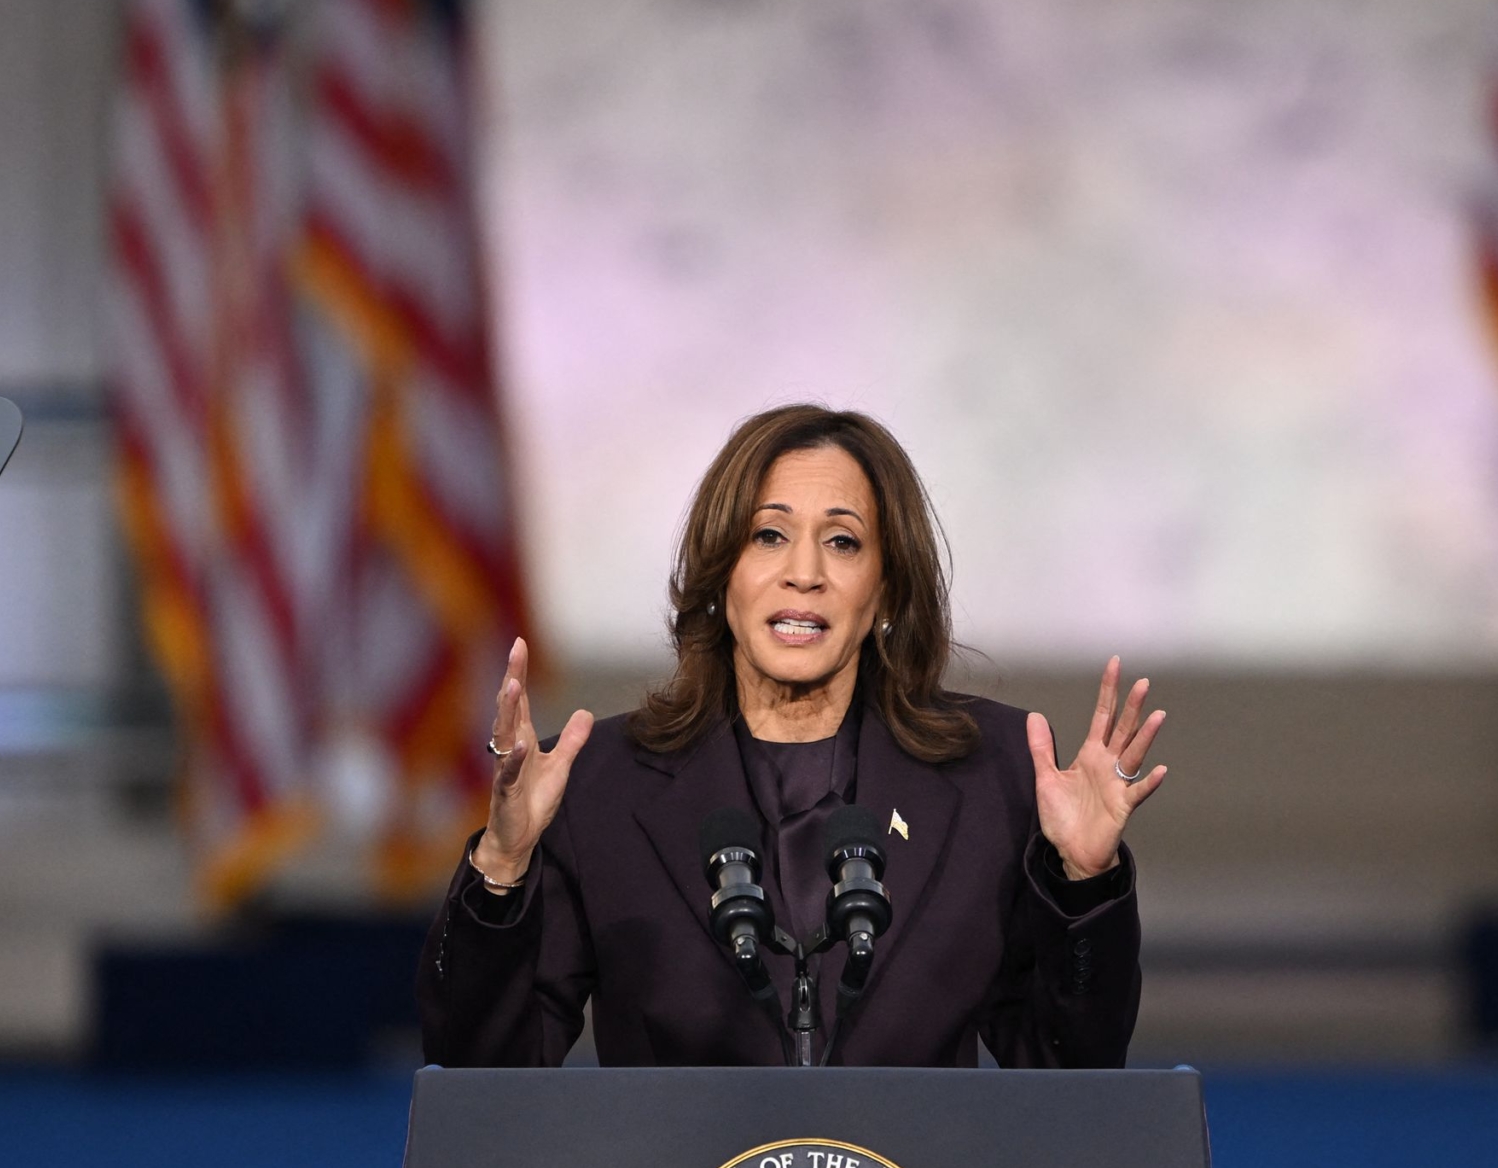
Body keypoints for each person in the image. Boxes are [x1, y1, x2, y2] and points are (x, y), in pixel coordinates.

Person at [416, 404, 1167, 1067]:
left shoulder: (989, 775)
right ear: (721, 573)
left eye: (842, 542)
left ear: (886, 589)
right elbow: (483, 1069)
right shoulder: (603, 786)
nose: (803, 572)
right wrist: (502, 865)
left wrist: (1084, 880)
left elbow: (1068, 1070)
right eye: (768, 535)